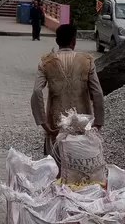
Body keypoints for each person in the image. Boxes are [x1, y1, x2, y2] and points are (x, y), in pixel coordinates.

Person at [30, 23, 105, 157]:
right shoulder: (87, 61)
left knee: (55, 165)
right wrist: (98, 123)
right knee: (80, 165)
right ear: (74, 41)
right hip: (82, 124)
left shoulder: (46, 62)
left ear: (57, 41)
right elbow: (97, 92)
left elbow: (36, 91)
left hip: (55, 124)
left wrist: (43, 121)